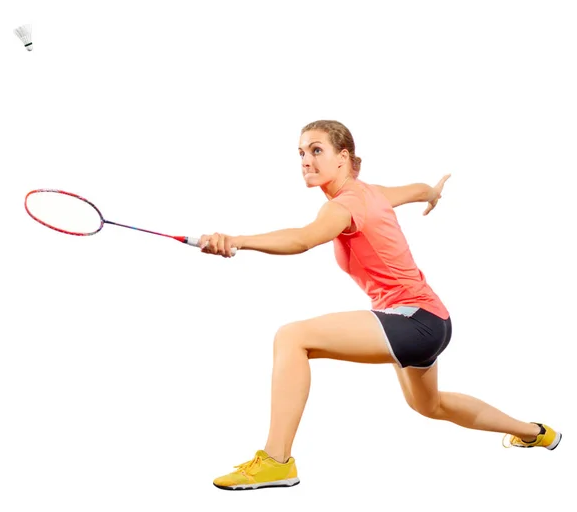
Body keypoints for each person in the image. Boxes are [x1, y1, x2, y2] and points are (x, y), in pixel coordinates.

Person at [199, 120, 562, 491]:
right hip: (433, 319)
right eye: (301, 153)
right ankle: (537, 432)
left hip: (413, 319)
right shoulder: (370, 192)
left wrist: (236, 240)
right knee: (430, 405)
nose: (306, 160)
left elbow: (303, 239)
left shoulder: (345, 204)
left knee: (292, 337)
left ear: (343, 157)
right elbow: (414, 190)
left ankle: (276, 460)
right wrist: (431, 193)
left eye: (316, 150)